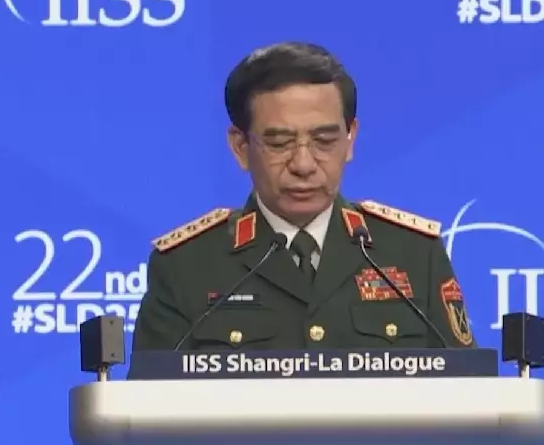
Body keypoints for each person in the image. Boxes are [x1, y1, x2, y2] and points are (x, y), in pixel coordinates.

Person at [130, 42, 476, 351]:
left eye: (324, 141)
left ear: (350, 139)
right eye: (280, 143)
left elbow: (469, 387)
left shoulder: (413, 253)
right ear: (240, 147)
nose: (304, 164)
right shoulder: (186, 266)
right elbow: (149, 399)